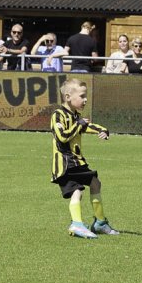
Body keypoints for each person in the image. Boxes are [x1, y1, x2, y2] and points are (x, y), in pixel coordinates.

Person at [51, 78, 119, 239]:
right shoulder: (58, 115)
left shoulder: (76, 116)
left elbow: (86, 126)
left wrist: (103, 130)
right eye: (82, 96)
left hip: (77, 162)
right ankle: (76, 224)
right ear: (68, 97)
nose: (85, 99)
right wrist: (78, 124)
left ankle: (100, 223)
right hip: (65, 164)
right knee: (77, 191)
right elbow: (62, 136)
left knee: (95, 182)